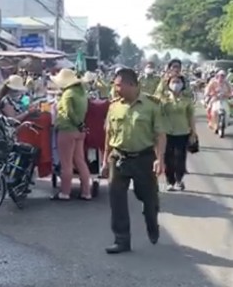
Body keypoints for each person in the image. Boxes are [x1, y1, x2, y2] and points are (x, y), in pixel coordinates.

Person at [102, 68, 166, 254]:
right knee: (117, 198)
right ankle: (121, 240)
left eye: (118, 85)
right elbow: (108, 133)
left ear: (131, 85)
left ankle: (152, 221)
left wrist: (159, 159)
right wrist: (106, 159)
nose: (116, 89)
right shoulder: (114, 105)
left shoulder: (152, 105)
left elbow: (160, 135)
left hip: (144, 158)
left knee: (148, 197)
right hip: (119, 156)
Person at [51, 68, 91, 201]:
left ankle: (65, 192)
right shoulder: (82, 93)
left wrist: (76, 123)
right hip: (80, 132)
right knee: (80, 161)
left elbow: (68, 113)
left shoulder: (68, 94)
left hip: (67, 129)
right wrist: (81, 125)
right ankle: (86, 191)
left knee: (66, 164)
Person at [160, 75, 196, 191]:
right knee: (168, 159)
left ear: (183, 85)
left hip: (182, 133)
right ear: (168, 85)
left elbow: (191, 117)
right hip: (166, 133)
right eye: (173, 82)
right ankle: (170, 181)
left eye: (178, 82)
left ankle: (179, 180)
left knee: (180, 158)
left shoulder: (187, 100)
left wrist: (193, 133)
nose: (176, 84)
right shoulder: (163, 100)